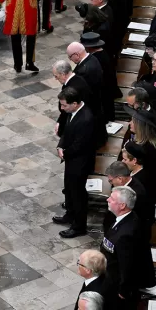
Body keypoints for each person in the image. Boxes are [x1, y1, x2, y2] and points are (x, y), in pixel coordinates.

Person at [101, 186, 156, 308]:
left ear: (122, 205)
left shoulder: (127, 233)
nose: (107, 200)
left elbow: (128, 265)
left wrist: (123, 290)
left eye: (112, 198)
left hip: (116, 286)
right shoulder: (123, 219)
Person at [53, 87, 95, 238]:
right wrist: (60, 145)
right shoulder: (72, 113)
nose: (62, 108)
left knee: (77, 194)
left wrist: (65, 152)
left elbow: (80, 144)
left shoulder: (86, 119)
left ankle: (79, 226)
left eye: (64, 105)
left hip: (80, 162)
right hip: (71, 159)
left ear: (75, 103)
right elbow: (67, 132)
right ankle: (70, 215)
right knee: (69, 190)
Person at [124, 106, 156, 201]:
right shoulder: (143, 140)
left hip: (146, 187)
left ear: (140, 126)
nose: (129, 123)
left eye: (133, 122)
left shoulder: (146, 148)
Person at [103, 161, 155, 234]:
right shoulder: (120, 184)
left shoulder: (136, 193)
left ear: (120, 179)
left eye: (111, 180)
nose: (110, 183)